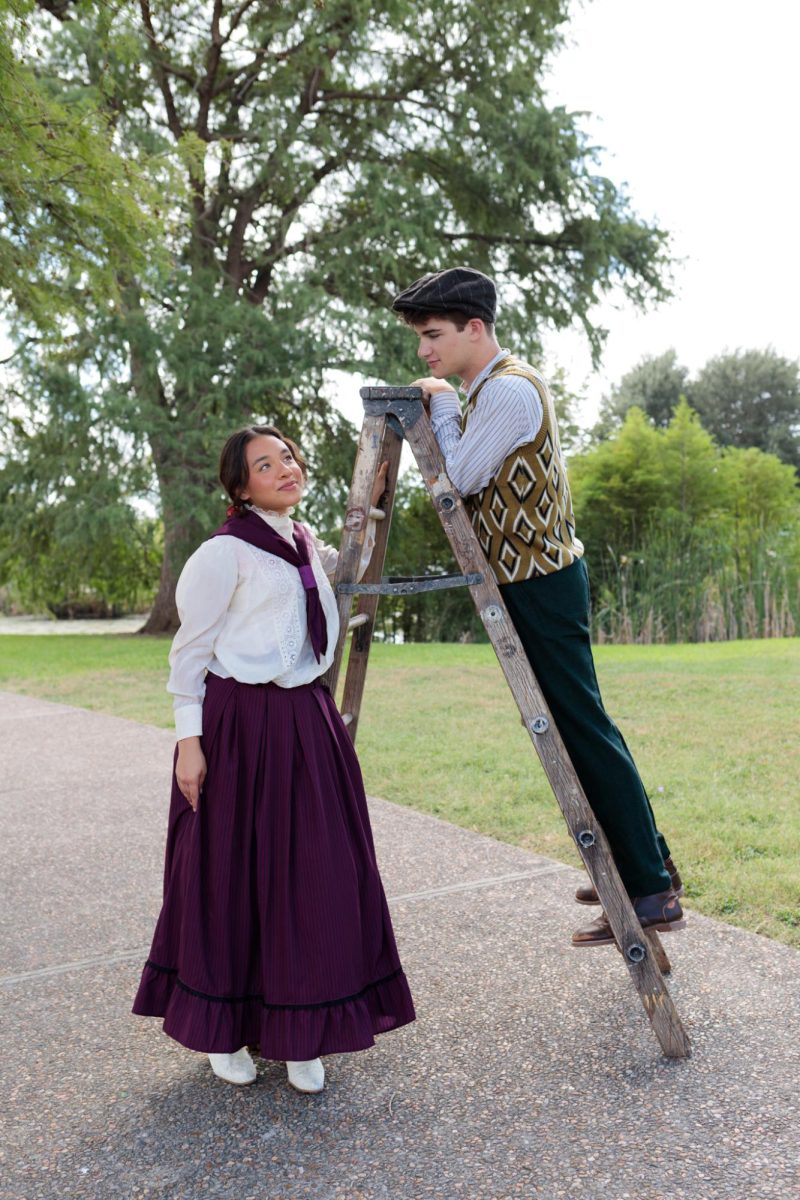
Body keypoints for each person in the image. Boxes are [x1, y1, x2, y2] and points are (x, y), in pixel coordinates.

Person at [391, 267, 684, 947]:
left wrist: (432, 404)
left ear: (475, 328)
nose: (424, 353)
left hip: (539, 582)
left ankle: (647, 887)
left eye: (433, 336)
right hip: (533, 578)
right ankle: (648, 864)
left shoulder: (509, 392)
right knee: (582, 725)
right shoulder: (490, 388)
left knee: (580, 728)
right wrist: (446, 397)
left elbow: (458, 480)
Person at [133, 425, 415, 1091]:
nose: (284, 468)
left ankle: (302, 1029)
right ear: (240, 487)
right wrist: (188, 743)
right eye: (265, 464)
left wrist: (373, 497)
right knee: (228, 877)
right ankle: (222, 1028)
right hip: (237, 725)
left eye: (286, 455)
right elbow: (188, 655)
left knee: (314, 875)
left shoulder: (302, 541)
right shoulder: (221, 555)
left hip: (303, 722)